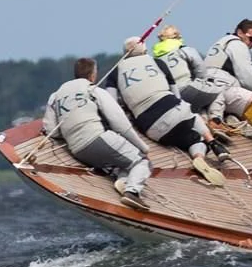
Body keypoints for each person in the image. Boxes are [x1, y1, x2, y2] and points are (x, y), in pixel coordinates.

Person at [110, 37, 227, 186]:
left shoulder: (116, 71)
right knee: (195, 132)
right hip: (177, 112)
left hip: (152, 128)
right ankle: (209, 147)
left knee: (178, 134)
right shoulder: (157, 62)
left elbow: (113, 102)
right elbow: (176, 94)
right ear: (144, 49)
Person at [43, 57, 153, 211]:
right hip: (98, 138)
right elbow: (120, 123)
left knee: (120, 163)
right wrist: (143, 147)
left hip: (78, 150)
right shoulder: (93, 90)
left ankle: (123, 180)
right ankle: (132, 192)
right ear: (93, 75)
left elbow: (51, 130)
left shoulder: (55, 96)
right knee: (142, 162)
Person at [202, 19, 252, 96]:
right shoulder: (238, 44)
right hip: (222, 87)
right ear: (240, 33)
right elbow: (247, 78)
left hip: (205, 85)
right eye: (251, 39)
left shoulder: (221, 43)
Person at [152, 25, 205, 94]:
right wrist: (202, 83)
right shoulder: (183, 50)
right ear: (176, 36)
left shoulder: (155, 60)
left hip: (170, 95)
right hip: (188, 88)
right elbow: (201, 69)